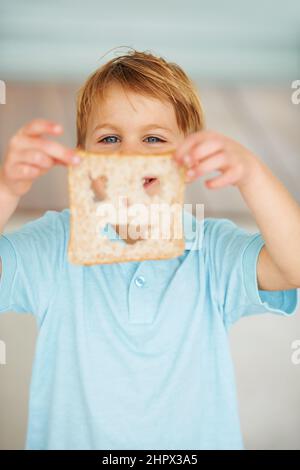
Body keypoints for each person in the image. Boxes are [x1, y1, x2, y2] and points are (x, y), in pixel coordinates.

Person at [0, 50, 299, 450]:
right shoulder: (55, 244)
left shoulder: (212, 252)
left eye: (153, 139)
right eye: (109, 138)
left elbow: (293, 266)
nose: (130, 154)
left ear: (188, 159)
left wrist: (251, 174)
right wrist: (7, 189)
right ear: (79, 157)